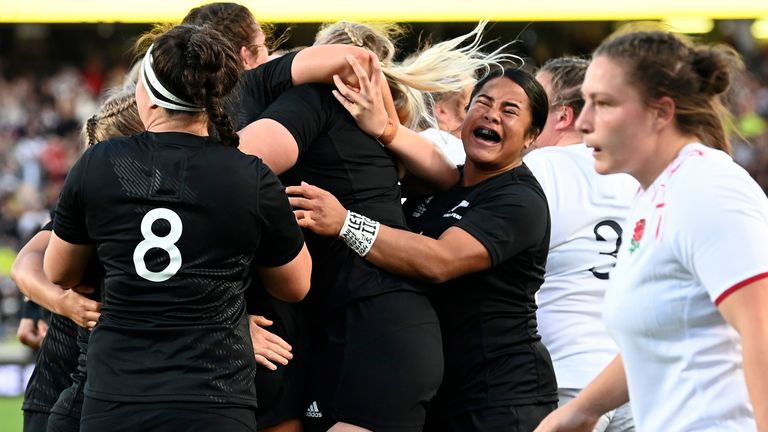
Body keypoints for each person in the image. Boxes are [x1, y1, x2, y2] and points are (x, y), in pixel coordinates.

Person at [234, 20, 514, 432]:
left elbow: (229, 171)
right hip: (355, 325)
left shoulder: (315, 101)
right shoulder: (378, 133)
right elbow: (446, 175)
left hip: (375, 325)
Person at [42, 24, 311, 432]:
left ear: (145, 94)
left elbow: (58, 272)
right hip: (215, 398)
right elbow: (295, 284)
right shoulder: (248, 175)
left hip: (117, 397)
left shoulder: (101, 163)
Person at [288, 66, 558, 432]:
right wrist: (381, 124)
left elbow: (439, 260)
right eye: (483, 102)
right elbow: (404, 164)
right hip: (440, 395)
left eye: (510, 111)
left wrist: (344, 223)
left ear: (531, 137)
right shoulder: (443, 183)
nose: (492, 114)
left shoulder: (519, 200)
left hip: (501, 397)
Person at [534, 28, 768, 432]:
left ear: (661, 112)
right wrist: (579, 412)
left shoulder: (707, 187)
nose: (584, 122)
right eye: (584, 102)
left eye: (603, 104)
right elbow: (663, 333)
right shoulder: (656, 192)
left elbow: (761, 330)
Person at [523, 56, 637, 432]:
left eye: (535, 105)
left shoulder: (543, 166)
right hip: (636, 374)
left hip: (566, 374)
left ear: (562, 117)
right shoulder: (638, 170)